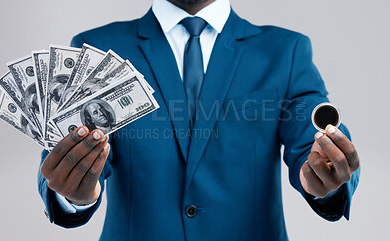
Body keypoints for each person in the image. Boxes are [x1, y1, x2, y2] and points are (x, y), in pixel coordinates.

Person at [38, 0, 361, 240]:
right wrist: (73, 196)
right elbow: (66, 146)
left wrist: (325, 177)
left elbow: (316, 131)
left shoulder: (284, 50)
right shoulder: (99, 47)